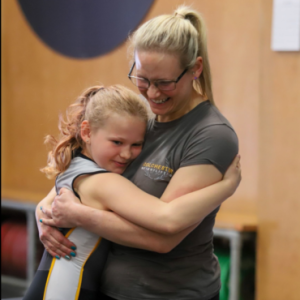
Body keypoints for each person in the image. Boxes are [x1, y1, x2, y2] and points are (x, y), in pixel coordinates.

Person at [36, 5, 240, 300]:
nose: (153, 94)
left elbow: (163, 237)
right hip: (109, 288)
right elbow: (68, 186)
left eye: (164, 83)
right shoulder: (140, 121)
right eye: (142, 79)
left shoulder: (212, 135)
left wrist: (80, 215)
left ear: (195, 69)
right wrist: (43, 218)